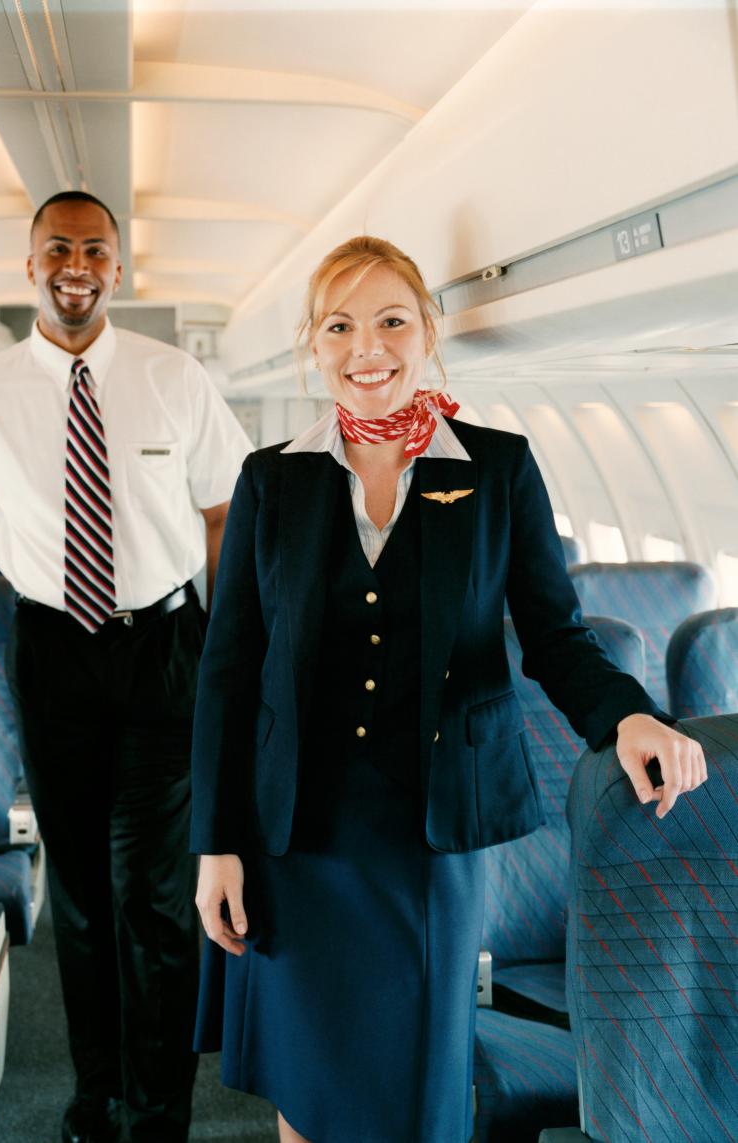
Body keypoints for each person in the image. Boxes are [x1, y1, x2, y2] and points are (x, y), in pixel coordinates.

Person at [189, 235, 707, 1143]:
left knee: (422, 1097)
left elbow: (554, 635)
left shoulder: (498, 466)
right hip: (293, 838)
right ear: (314, 344)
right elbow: (230, 670)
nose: (368, 348)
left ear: (428, 331)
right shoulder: (274, 478)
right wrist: (216, 844)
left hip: (431, 836)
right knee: (307, 1095)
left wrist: (627, 714)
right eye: (341, 325)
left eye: (391, 320)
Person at [0, 190, 253, 1143]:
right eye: (59, 248)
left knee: (157, 897)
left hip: (167, 646)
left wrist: (225, 631)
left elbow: (222, 512)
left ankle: (160, 1112)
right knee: (85, 901)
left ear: (120, 269)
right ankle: (95, 1100)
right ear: (31, 265)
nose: (76, 265)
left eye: (95, 249)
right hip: (52, 652)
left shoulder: (176, 378)